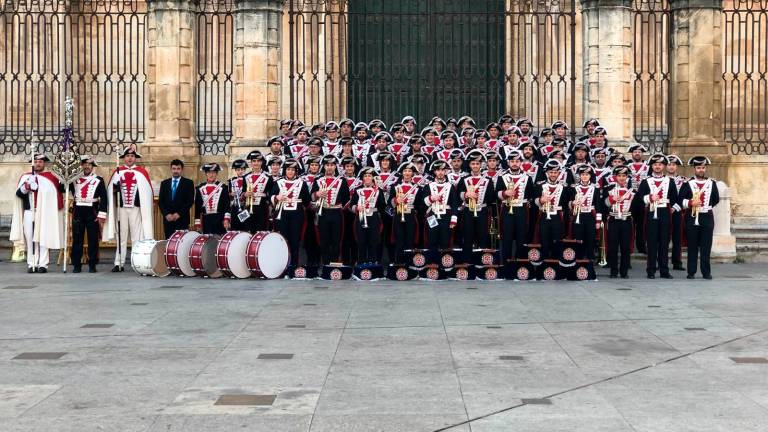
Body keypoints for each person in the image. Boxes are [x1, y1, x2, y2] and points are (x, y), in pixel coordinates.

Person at [10, 153, 64, 273]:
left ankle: (43, 264)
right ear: (32, 163)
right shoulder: (25, 177)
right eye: (36, 161)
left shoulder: (51, 177)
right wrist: (27, 186)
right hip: (30, 212)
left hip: (44, 212)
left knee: (43, 238)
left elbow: (57, 192)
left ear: (44, 163)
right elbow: (18, 194)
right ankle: (32, 263)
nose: (38, 163)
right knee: (30, 239)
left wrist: (40, 187)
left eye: (40, 161)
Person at [105, 147, 154, 272]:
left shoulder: (141, 172)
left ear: (135, 158)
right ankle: (118, 262)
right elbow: (110, 190)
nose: (130, 158)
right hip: (121, 209)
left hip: (135, 208)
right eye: (127, 156)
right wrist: (114, 189)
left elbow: (147, 191)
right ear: (124, 158)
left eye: (132, 156)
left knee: (136, 237)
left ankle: (136, 262)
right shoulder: (118, 172)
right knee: (121, 237)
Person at [636, 153, 678, 279]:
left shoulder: (669, 181)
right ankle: (651, 270)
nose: (657, 167)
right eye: (655, 164)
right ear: (652, 166)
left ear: (664, 166)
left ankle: (664, 270)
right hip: (650, 212)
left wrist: (672, 210)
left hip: (665, 212)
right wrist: (649, 198)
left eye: (660, 164)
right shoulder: (645, 182)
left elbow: (675, 198)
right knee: (652, 242)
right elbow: (639, 199)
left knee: (664, 243)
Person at [679, 156, 720, 280]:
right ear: (694, 169)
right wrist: (691, 203)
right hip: (692, 217)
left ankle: (706, 272)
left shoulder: (711, 183)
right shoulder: (688, 184)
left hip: (706, 216)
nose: (701, 170)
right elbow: (681, 200)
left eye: (703, 167)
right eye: (698, 168)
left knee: (706, 246)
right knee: (692, 246)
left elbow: (715, 199)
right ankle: (691, 272)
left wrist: (705, 207)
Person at [69, 156, 108, 273]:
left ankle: (92, 264)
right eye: (84, 164)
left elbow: (104, 198)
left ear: (92, 166)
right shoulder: (74, 179)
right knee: (77, 239)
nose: (87, 167)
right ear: (81, 166)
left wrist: (102, 214)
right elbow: (63, 188)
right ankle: (76, 264)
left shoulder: (99, 180)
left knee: (93, 239)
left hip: (92, 210)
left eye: (89, 165)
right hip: (78, 210)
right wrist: (65, 177)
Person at [271, 158, 310, 271]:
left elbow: (307, 201)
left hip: (296, 215)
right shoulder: (278, 182)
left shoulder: (302, 183)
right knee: (282, 240)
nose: (290, 172)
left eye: (293, 169)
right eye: (288, 169)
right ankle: (282, 266)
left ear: (296, 171)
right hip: (281, 215)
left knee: (295, 240)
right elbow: (271, 197)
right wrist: (277, 197)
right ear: (285, 170)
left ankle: (294, 266)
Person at [457, 150, 496, 262]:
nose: (475, 166)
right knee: (468, 236)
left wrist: (481, 199)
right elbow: (458, 194)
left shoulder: (488, 180)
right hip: (468, 211)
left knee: (483, 236)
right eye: (473, 164)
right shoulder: (464, 179)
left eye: (477, 164)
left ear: (481, 165)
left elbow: (491, 197)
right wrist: (466, 194)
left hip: (482, 211)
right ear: (469, 165)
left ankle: (482, 261)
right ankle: (467, 261)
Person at [312, 155, 351, 265]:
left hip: (336, 213)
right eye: (327, 165)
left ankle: (335, 264)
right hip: (323, 212)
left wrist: (340, 207)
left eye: (332, 165)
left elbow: (347, 199)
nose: (329, 167)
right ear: (324, 166)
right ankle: (325, 264)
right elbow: (311, 198)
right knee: (323, 240)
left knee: (336, 240)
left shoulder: (342, 181)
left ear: (335, 167)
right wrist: (317, 194)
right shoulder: (318, 180)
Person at [497, 151, 534, 261]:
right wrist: (504, 193)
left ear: (521, 163)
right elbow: (496, 193)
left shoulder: (527, 178)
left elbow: (531, 194)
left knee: (521, 237)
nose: (514, 163)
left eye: (517, 161)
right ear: (508, 163)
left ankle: (520, 263)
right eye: (512, 161)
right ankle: (505, 263)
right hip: (507, 208)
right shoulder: (502, 177)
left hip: (522, 209)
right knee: (506, 237)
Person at [422, 160, 459, 265]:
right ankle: (432, 265)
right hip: (432, 215)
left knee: (445, 241)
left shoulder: (450, 186)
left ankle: (444, 265)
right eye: (438, 170)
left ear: (446, 172)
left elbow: (455, 204)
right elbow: (423, 203)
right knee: (432, 240)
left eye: (443, 170)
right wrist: (431, 198)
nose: (440, 172)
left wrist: (453, 219)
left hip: (446, 216)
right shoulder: (428, 186)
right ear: (434, 172)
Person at [534, 160, 573, 260]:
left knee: (557, 241)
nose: (553, 174)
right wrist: (540, 200)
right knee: (544, 241)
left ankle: (557, 266)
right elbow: (534, 201)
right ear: (547, 173)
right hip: (543, 215)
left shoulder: (564, 187)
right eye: (551, 172)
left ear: (559, 173)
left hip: (557, 216)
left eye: (555, 172)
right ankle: (544, 266)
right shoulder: (539, 185)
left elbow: (566, 204)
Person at [602, 165, 635, 278]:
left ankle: (624, 272)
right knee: (612, 247)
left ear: (627, 177)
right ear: (615, 177)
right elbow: (603, 204)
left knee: (626, 247)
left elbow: (636, 207)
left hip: (626, 220)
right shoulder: (609, 188)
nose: (621, 178)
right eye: (619, 175)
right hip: (613, 220)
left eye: (624, 176)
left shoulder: (632, 190)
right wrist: (611, 199)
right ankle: (613, 271)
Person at [350, 167, 386, 264]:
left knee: (373, 241)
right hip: (361, 217)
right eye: (365, 176)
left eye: (369, 176)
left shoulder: (379, 191)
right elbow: (351, 204)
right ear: (362, 179)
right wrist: (357, 208)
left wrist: (377, 212)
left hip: (373, 217)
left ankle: (373, 262)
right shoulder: (357, 190)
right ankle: (361, 263)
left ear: (373, 178)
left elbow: (383, 205)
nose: (367, 178)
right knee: (361, 241)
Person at [390, 162, 421, 264]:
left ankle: (409, 263)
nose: (407, 173)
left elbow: (420, 205)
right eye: (405, 171)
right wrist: (395, 200)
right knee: (399, 240)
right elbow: (389, 202)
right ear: (402, 173)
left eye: (410, 171)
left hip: (411, 216)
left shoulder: (418, 188)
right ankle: (399, 263)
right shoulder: (395, 186)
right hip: (398, 215)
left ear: (412, 174)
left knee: (410, 240)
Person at [569, 164, 599, 260]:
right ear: (580, 176)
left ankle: (589, 260)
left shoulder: (595, 188)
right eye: (582, 174)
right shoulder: (574, 187)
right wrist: (572, 203)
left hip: (590, 216)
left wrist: (598, 221)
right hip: (578, 215)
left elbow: (599, 206)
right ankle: (578, 260)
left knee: (590, 239)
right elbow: (568, 203)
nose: (585, 176)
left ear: (590, 176)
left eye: (587, 174)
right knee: (578, 239)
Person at [158, 159, 195, 239]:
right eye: (174, 168)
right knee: (169, 241)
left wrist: (179, 214)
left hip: (182, 219)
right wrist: (166, 214)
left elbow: (190, 201)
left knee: (181, 243)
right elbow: (161, 201)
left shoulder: (188, 183)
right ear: (171, 169)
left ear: (181, 169)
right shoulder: (164, 183)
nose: (176, 171)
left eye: (178, 169)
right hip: (168, 220)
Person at [194, 163, 231, 235]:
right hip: (206, 220)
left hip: (219, 219)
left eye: (213, 172)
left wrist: (226, 219)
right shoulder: (199, 188)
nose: (211, 175)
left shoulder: (223, 187)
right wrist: (197, 222)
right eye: (209, 172)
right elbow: (197, 206)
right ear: (206, 174)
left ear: (217, 174)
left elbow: (227, 205)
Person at [242, 150, 274, 233]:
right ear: (251, 163)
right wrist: (245, 194)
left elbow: (271, 194)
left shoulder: (268, 177)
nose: (256, 163)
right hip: (248, 207)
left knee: (261, 231)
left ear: (262, 162)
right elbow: (242, 193)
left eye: (258, 161)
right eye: (254, 161)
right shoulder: (245, 177)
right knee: (248, 230)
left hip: (262, 208)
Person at [666, 155, 687, 271]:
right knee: (663, 237)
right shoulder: (662, 179)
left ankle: (677, 262)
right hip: (663, 210)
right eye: (669, 165)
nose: (671, 167)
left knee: (677, 238)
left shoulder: (683, 180)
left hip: (677, 211)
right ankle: (661, 261)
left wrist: (675, 207)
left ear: (676, 167)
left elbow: (684, 195)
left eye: (673, 165)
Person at [228, 159, 248, 231]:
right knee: (234, 226)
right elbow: (228, 194)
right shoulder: (231, 180)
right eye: (238, 169)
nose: (240, 171)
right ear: (235, 171)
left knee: (244, 225)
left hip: (244, 207)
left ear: (245, 170)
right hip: (234, 207)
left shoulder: (248, 179)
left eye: (242, 169)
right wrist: (230, 194)